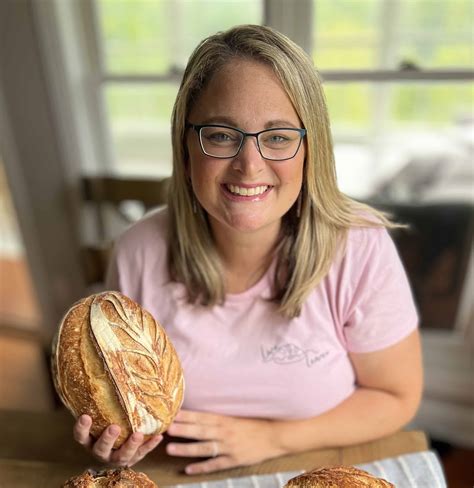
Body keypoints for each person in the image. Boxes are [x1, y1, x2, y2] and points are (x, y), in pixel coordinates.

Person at [73, 24, 422, 474]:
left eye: (278, 137)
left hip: (323, 468)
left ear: (310, 148)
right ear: (186, 146)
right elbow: (128, 407)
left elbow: (397, 397)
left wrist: (271, 439)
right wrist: (121, 440)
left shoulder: (360, 246)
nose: (249, 165)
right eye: (221, 135)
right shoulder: (138, 251)